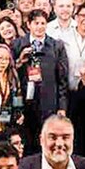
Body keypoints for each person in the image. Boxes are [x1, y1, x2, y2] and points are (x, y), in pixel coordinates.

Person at [12, 10, 70, 153]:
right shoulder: (18, 44)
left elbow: (62, 79)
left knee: (46, 141)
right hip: (24, 102)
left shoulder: (56, 46)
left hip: (48, 102)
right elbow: (9, 74)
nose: (39, 27)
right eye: (36, 23)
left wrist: (62, 106)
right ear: (28, 24)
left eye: (43, 23)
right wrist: (19, 61)